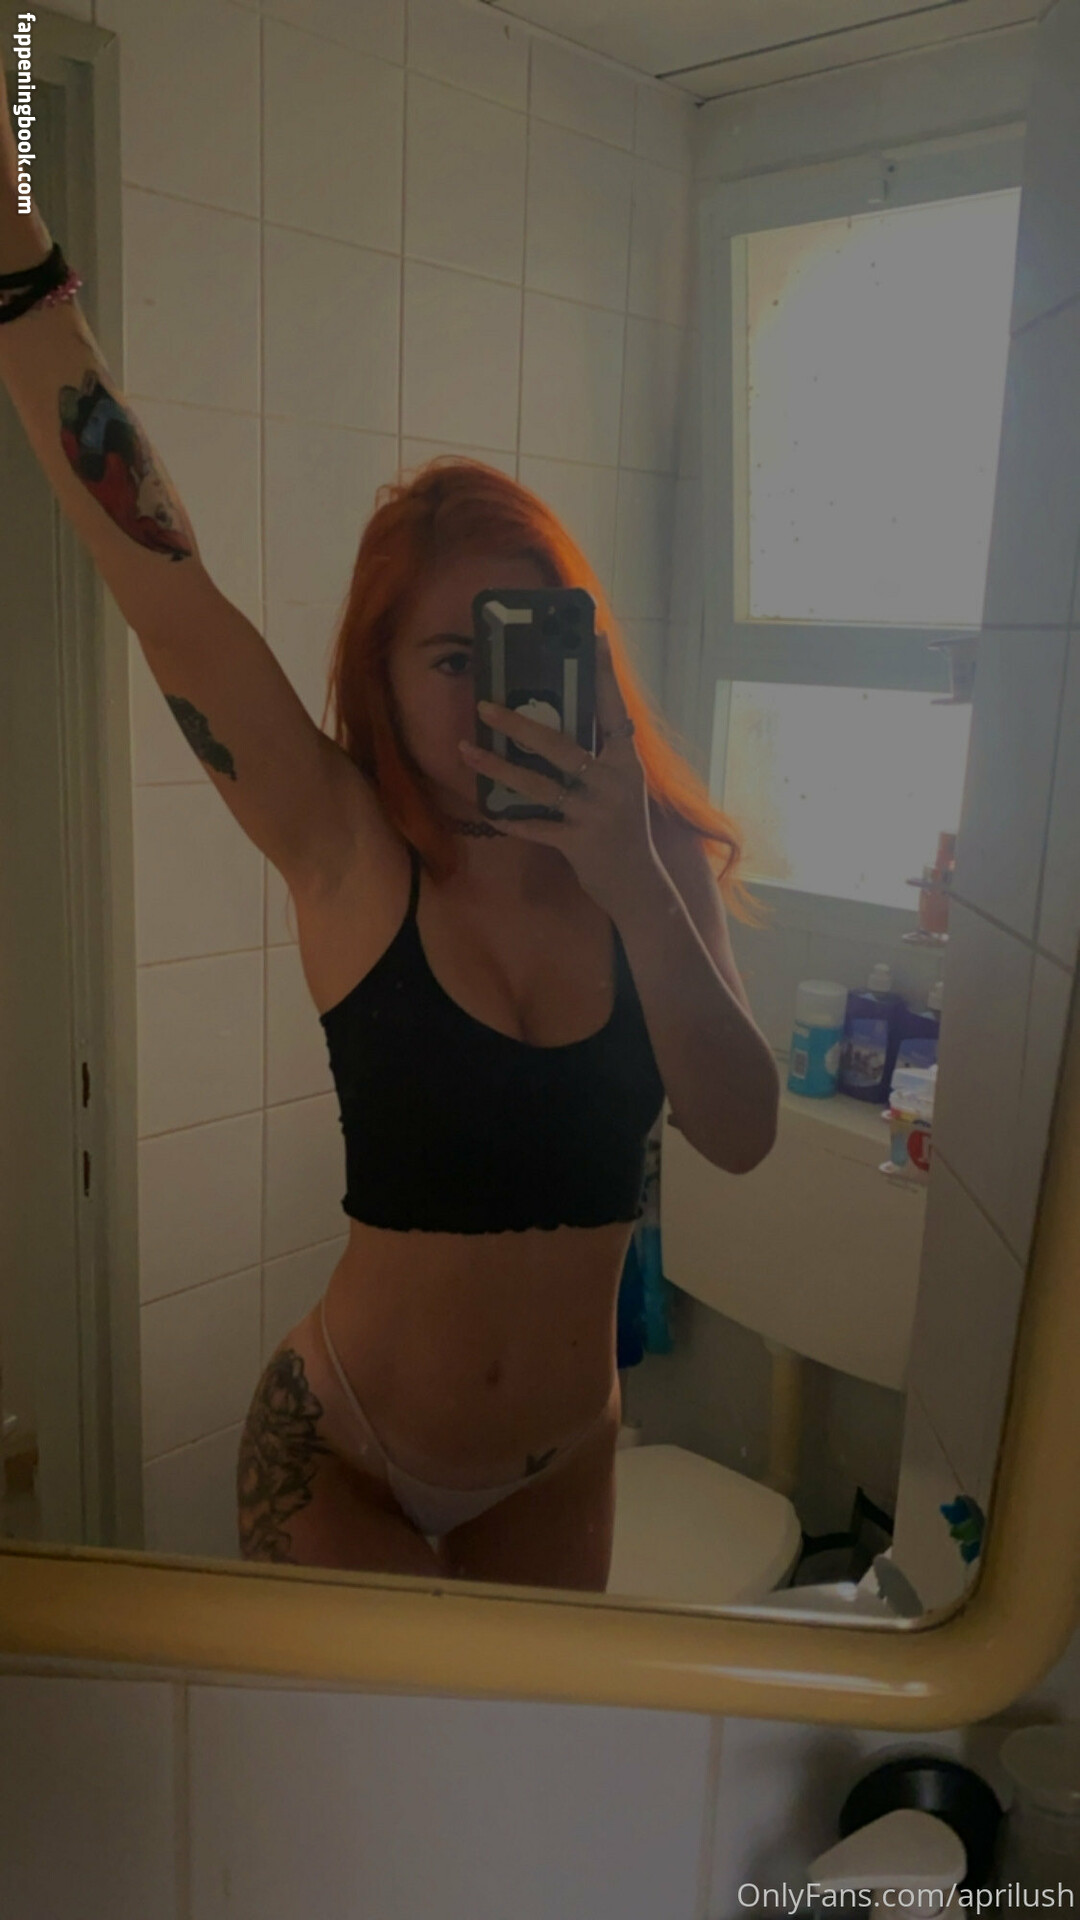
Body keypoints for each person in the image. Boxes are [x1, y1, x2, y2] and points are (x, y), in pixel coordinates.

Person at [0, 75, 780, 1592]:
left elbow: (741, 1133)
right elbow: (166, 591)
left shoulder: (656, 863)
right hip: (340, 1450)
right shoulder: (347, 849)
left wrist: (635, 884)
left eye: (526, 645)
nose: (490, 697)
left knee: (506, 1754)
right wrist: (19, 267)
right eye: (447, 658)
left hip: (564, 1462)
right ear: (381, 677)